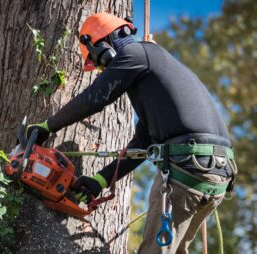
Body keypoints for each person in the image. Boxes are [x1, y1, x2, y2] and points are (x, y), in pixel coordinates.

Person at [26, 13, 237, 253]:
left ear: (103, 47)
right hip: (217, 174)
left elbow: (95, 98)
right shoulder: (158, 72)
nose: (103, 70)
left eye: (101, 64)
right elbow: (143, 143)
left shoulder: (135, 54)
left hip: (188, 169)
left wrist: (47, 126)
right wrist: (100, 180)